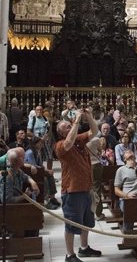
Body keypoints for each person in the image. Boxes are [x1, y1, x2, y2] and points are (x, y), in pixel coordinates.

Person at [55, 107, 102, 262]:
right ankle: (69, 255)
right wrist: (75, 121)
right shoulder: (61, 145)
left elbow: (94, 132)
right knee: (71, 224)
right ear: (62, 133)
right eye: (66, 127)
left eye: (70, 125)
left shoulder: (79, 140)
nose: (71, 126)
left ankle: (84, 248)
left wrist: (88, 116)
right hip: (72, 190)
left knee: (86, 220)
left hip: (86, 187)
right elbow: (68, 142)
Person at [113, 149, 137, 230]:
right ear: (124, 159)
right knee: (130, 212)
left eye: (131, 152)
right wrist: (127, 195)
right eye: (127, 152)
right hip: (126, 200)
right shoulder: (121, 170)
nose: (130, 153)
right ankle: (128, 236)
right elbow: (116, 190)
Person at [25, 136, 60, 209]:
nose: (42, 145)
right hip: (31, 173)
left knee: (50, 176)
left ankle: (52, 198)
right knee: (45, 179)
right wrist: (46, 171)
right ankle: (45, 200)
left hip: (38, 171)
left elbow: (40, 165)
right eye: (40, 143)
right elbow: (34, 165)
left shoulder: (37, 152)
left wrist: (47, 170)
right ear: (35, 144)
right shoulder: (30, 152)